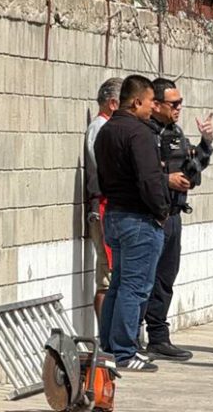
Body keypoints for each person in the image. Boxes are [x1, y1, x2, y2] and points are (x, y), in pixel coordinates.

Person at [94, 74, 170, 372]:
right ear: (137, 101)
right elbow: (149, 179)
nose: (154, 107)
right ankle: (125, 352)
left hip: (114, 214)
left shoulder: (106, 130)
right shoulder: (139, 133)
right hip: (139, 219)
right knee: (135, 288)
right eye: (151, 101)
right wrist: (161, 210)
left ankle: (110, 347)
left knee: (118, 285)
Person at [142, 78, 213, 362]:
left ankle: (158, 338)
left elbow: (192, 167)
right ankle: (131, 339)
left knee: (165, 279)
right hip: (151, 216)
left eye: (180, 103)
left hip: (173, 215)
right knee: (142, 280)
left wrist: (206, 143)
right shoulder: (144, 133)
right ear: (156, 104)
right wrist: (166, 180)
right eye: (174, 103)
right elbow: (138, 175)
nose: (179, 108)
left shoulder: (175, 133)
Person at [85, 77, 122, 319]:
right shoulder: (100, 128)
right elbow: (104, 169)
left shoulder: (110, 128)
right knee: (106, 275)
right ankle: (105, 333)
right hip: (104, 206)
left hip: (114, 207)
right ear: (112, 103)